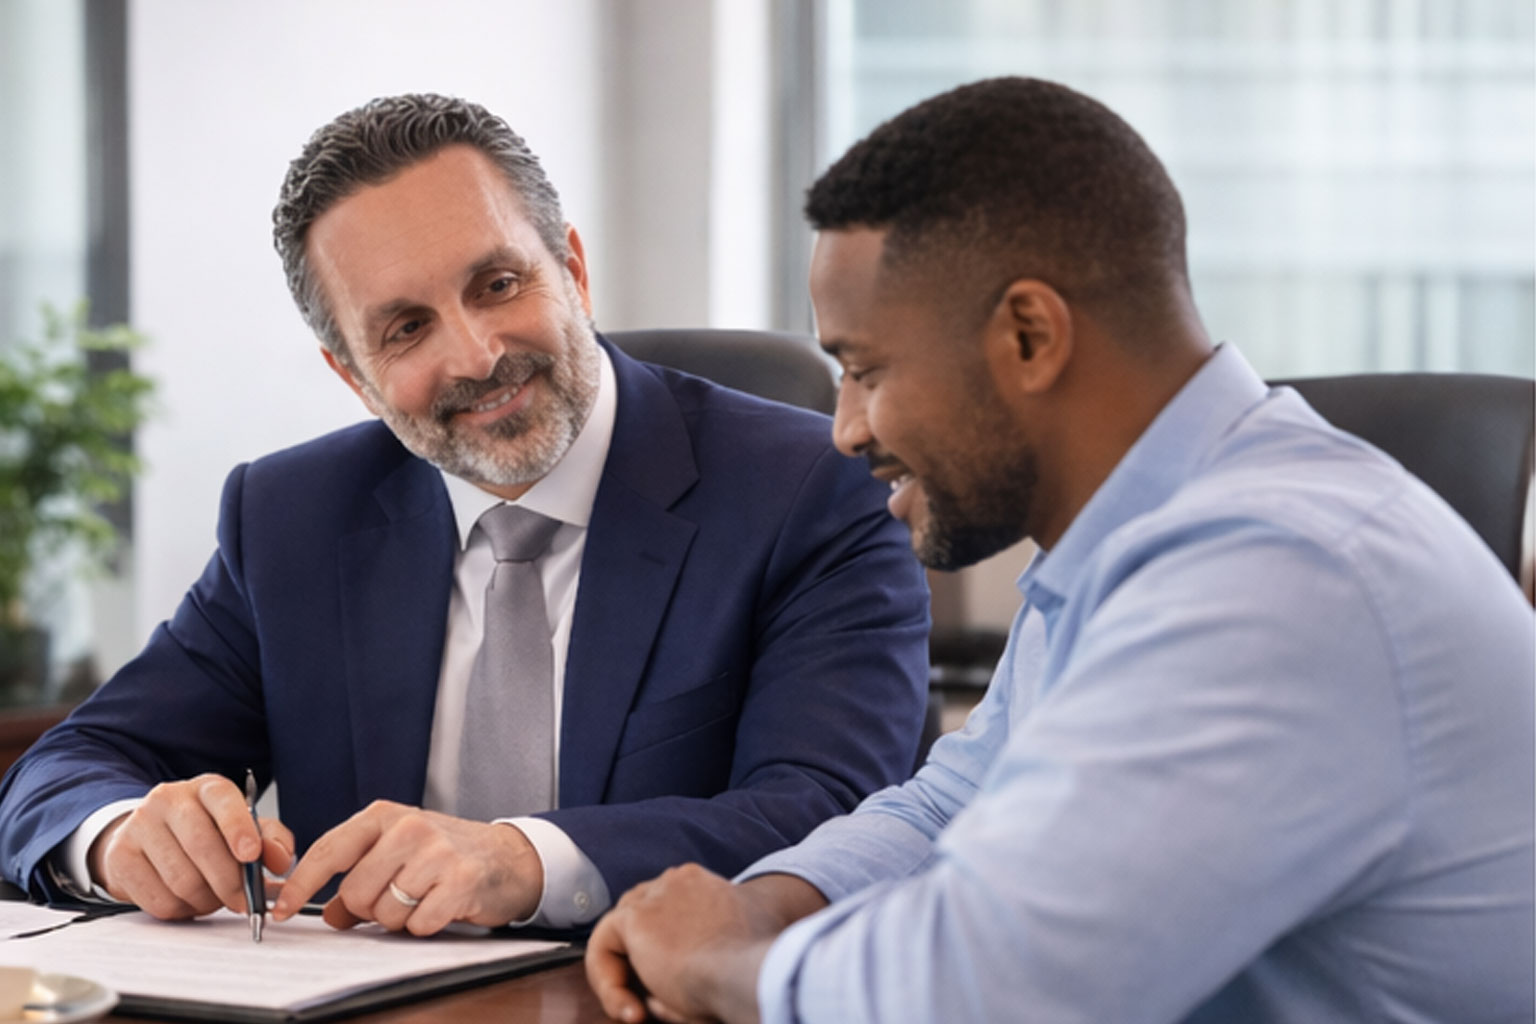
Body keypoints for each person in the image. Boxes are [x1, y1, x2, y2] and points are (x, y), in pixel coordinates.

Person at [586, 76, 1536, 1023]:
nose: (844, 429)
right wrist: (758, 905)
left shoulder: (1276, 574)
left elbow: (979, 986)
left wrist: (721, 967)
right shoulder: (1135, 541)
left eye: (867, 370)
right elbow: (955, 799)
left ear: (1030, 335)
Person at [0, 94, 933, 938]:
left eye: (497, 285)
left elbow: (834, 812)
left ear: (571, 268)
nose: (478, 355)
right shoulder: (289, 518)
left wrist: (524, 861)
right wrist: (121, 833)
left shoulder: (817, 488)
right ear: (353, 377)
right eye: (406, 329)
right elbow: (74, 763)